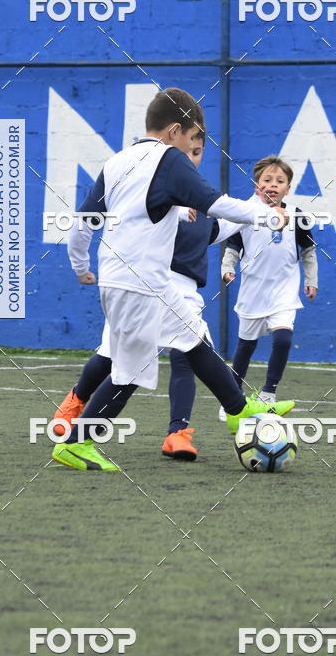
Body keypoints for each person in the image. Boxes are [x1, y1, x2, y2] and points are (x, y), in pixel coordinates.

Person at [51, 88, 296, 471]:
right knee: (129, 370)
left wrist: (81, 265)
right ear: (175, 130)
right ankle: (76, 442)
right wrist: (268, 216)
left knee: (193, 339)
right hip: (138, 283)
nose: (190, 148)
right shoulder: (168, 158)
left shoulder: (118, 161)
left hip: (136, 280)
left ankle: (237, 409)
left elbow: (84, 222)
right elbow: (214, 204)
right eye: (191, 138)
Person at [54, 129, 240, 461]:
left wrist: (258, 210)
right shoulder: (155, 185)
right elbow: (101, 220)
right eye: (190, 149)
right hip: (142, 287)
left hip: (173, 291)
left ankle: (181, 431)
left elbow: (219, 227)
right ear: (174, 137)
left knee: (189, 349)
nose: (191, 157)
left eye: (198, 153)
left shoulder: (197, 201)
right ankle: (76, 410)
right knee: (116, 359)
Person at [218, 155, 318, 421]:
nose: (273, 185)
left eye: (280, 181)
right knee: (245, 347)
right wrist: (227, 267)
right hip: (253, 292)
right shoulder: (246, 214)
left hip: (284, 291)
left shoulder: (298, 216)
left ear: (288, 188)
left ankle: (268, 393)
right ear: (256, 185)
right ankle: (233, 397)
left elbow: (308, 251)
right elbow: (233, 246)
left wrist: (311, 281)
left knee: (283, 339)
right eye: (267, 180)